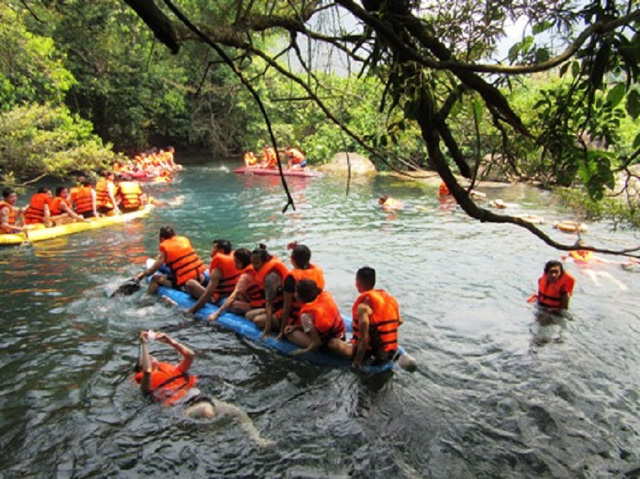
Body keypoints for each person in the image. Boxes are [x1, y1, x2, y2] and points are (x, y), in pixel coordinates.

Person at [134, 331, 273, 445]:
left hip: (199, 398)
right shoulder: (146, 383)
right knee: (207, 410)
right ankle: (215, 444)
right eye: (146, 358)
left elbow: (190, 355)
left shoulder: (173, 370)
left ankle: (257, 439)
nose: (151, 357)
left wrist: (171, 341)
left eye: (151, 356)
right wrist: (144, 345)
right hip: (181, 408)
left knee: (237, 411)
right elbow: (147, 371)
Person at [283, 279, 350, 357]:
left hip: (325, 343)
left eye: (296, 292)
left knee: (289, 333)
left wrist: (303, 351)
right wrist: (296, 327)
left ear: (301, 297)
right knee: (293, 329)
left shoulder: (305, 315)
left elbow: (316, 342)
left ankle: (323, 351)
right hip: (341, 335)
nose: (294, 294)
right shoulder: (325, 297)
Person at [351, 267, 402, 368]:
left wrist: (356, 363)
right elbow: (399, 321)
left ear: (358, 282)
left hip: (374, 354)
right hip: (391, 350)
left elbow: (363, 339)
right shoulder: (390, 299)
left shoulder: (363, 307)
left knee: (333, 344)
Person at [136, 226, 207, 294]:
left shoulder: (165, 247)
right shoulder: (183, 240)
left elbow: (152, 270)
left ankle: (147, 299)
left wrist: (141, 275)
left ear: (161, 238)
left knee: (155, 279)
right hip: (201, 277)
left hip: (186, 283)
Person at [277, 243, 325, 340]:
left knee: (259, 320)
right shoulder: (316, 270)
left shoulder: (291, 279)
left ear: (292, 259)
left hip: (299, 317)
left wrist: (282, 332)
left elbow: (287, 307)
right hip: (316, 313)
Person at [186, 239, 242, 315]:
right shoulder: (237, 260)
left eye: (213, 248)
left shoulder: (217, 270)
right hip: (232, 293)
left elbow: (208, 293)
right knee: (201, 276)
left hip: (218, 297)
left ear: (221, 251)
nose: (211, 250)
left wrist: (192, 310)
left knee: (190, 283)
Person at [244, 244, 289, 338]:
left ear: (265, 262)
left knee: (257, 321)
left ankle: (277, 326)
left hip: (284, 312)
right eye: (252, 263)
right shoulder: (266, 268)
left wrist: (267, 329)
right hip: (276, 308)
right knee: (248, 315)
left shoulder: (270, 278)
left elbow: (269, 304)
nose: (254, 266)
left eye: (256, 263)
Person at [207, 248, 260, 321]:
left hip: (257, 306)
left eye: (236, 262)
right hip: (260, 301)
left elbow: (232, 297)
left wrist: (216, 314)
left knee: (231, 304)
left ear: (240, 262)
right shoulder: (257, 269)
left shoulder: (245, 277)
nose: (235, 265)